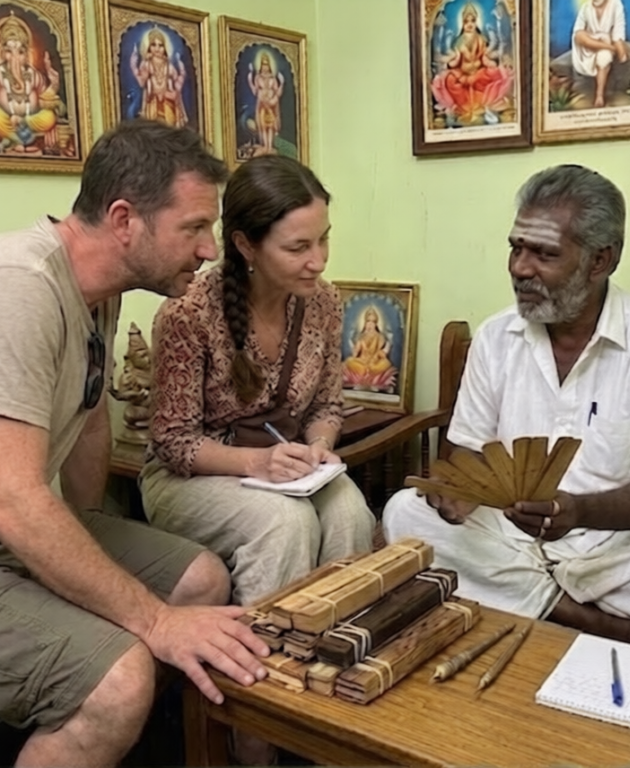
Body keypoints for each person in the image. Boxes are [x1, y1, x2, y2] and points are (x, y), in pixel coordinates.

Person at [0, 119, 272, 768]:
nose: (210, 250)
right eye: (194, 227)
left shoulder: (100, 291)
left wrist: (85, 539)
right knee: (120, 680)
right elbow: (13, 498)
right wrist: (148, 621)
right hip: (9, 520)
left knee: (203, 580)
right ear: (125, 220)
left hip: (16, 527)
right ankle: (96, 704)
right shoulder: (23, 288)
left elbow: (90, 414)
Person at [383, 164, 630, 653]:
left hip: (615, 544)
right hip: (510, 534)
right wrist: (458, 491)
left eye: (544, 254)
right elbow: (463, 450)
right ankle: (584, 620)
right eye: (516, 247)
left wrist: (578, 512)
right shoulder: (494, 336)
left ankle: (517, 596)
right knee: (404, 514)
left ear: (600, 260)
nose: (520, 268)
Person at [139, 154, 375, 608]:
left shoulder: (324, 302)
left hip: (287, 468)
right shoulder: (188, 313)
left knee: (349, 510)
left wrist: (320, 447)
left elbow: (326, 406)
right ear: (247, 246)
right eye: (297, 248)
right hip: (187, 479)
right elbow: (173, 442)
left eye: (324, 240)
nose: (318, 261)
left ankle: (339, 644)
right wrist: (256, 463)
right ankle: (265, 660)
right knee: (286, 522)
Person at [431, 2, 513, 124]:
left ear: (476, 22)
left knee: (495, 73)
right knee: (450, 80)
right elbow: (454, 62)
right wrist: (449, 64)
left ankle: (483, 106)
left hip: (478, 75)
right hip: (462, 75)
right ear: (462, 24)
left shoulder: (481, 39)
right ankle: (462, 108)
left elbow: (484, 57)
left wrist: (491, 64)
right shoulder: (459, 41)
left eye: (472, 21)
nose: (470, 24)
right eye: (466, 21)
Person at [0, 12, 60, 154]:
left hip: (29, 122)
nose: (15, 56)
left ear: (27, 54)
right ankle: (16, 140)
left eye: (20, 51)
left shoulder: (34, 75)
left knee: (49, 117)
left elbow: (46, 102)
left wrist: (54, 85)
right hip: (6, 124)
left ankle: (18, 140)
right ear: (1, 52)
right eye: (9, 51)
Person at [571, 0, 629, 108]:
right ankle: (608, 47)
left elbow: (618, 30)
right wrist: (610, 47)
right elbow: (578, 33)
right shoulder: (586, 8)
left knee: (604, 57)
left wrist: (620, 49)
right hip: (589, 44)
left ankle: (599, 95)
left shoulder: (616, 4)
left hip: (605, 40)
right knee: (580, 35)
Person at [129, 26, 188, 128]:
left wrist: (182, 71)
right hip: (153, 102)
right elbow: (142, 82)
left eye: (160, 45)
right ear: (148, 47)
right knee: (154, 131)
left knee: (169, 129)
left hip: (167, 102)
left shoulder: (169, 65)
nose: (157, 49)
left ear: (165, 47)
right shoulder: (147, 64)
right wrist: (133, 65)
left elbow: (177, 84)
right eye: (153, 45)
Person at [342, 306, 397, 391]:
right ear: (365, 322)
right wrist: (354, 343)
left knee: (386, 363)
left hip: (374, 363)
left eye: (373, 321)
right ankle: (365, 375)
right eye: (368, 321)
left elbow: (380, 353)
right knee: (349, 361)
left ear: (376, 324)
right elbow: (355, 354)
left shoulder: (379, 337)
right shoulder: (361, 336)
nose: (370, 324)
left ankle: (370, 376)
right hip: (362, 362)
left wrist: (375, 359)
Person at [247, 53, 284, 154]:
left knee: (270, 126)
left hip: (271, 105)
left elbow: (278, 92)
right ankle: (265, 146)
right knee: (263, 126)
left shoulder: (273, 79)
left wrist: (282, 83)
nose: (265, 68)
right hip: (262, 105)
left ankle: (269, 146)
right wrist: (250, 79)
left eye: (266, 65)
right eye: (263, 65)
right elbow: (255, 91)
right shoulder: (258, 78)